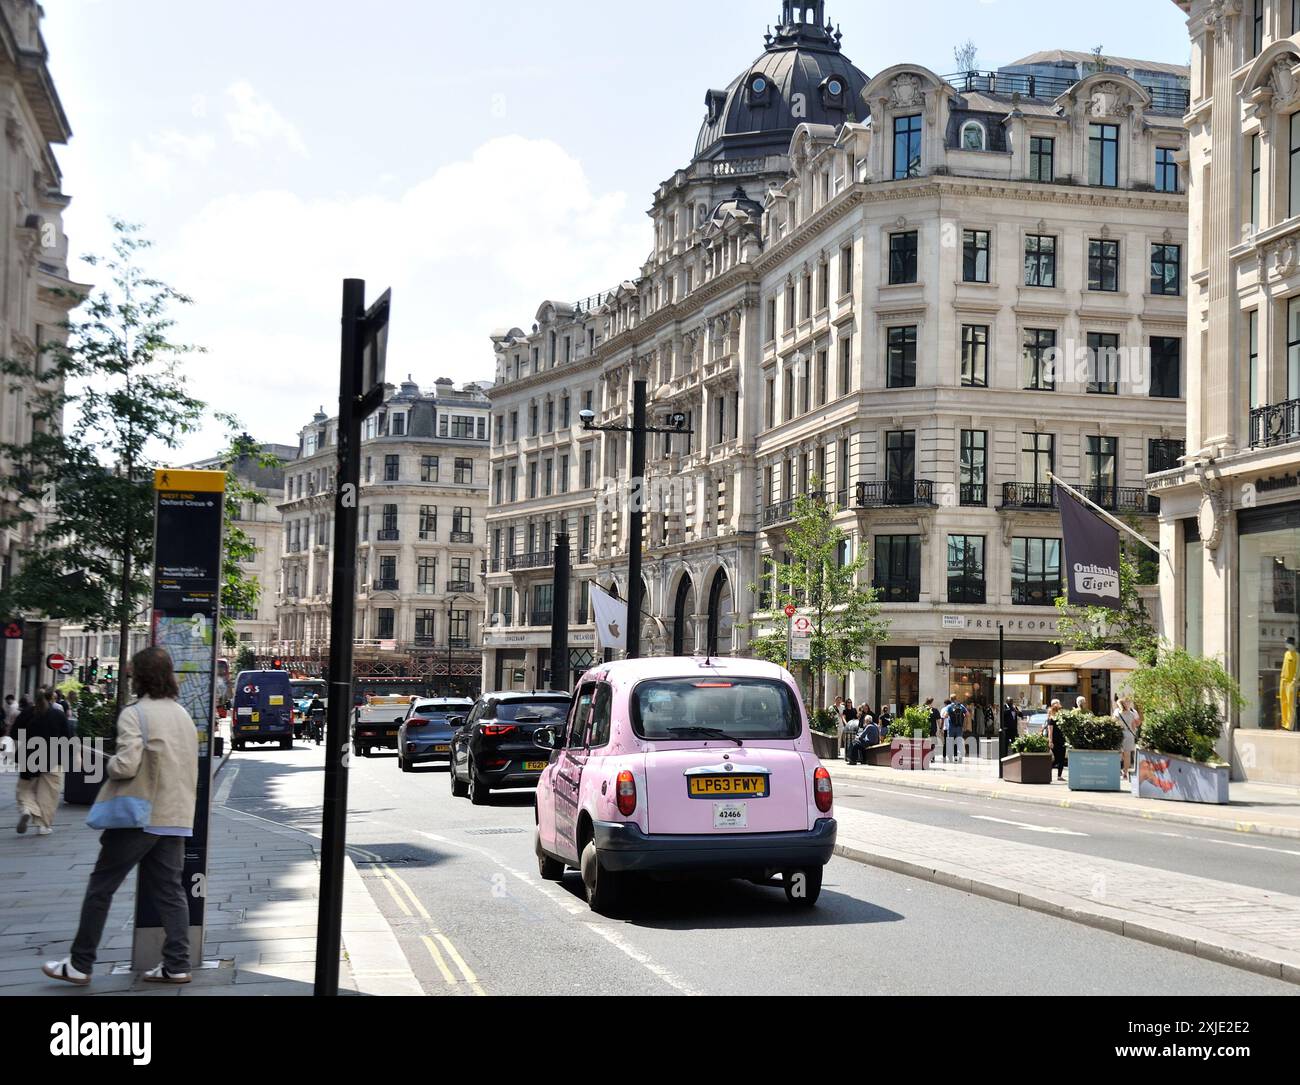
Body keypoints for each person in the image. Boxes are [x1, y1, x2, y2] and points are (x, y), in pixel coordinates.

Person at [42, 647, 199, 987]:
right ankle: (177, 964)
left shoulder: (136, 714)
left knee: (101, 887)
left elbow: (126, 764)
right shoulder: (182, 715)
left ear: (139, 677)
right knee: (171, 892)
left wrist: (107, 762)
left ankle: (80, 964)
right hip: (175, 816)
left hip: (139, 815)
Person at [15, 689, 67, 836]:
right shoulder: (58, 714)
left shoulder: (26, 713)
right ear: (52, 698)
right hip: (52, 758)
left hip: (29, 756)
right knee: (49, 794)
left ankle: (27, 809)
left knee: (25, 789)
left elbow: (14, 733)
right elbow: (67, 738)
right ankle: (43, 826)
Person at [1116, 696, 1142, 781]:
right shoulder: (1132, 714)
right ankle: (1125, 773)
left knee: (1120, 754)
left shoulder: (1118, 714)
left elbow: (1114, 724)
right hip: (1129, 735)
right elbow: (1134, 727)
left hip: (1120, 735)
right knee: (1127, 755)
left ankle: (1119, 770)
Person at [1047, 699, 1066, 781]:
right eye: (1056, 705)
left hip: (1062, 739)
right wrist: (1050, 741)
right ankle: (1047, 771)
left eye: (1059, 704)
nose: (1058, 706)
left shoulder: (1062, 717)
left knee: (1062, 758)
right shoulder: (1051, 718)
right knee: (1057, 759)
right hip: (1055, 740)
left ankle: (1059, 776)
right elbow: (1050, 731)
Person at [944, 696, 968, 763]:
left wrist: (948, 715)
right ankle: (959, 756)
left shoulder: (949, 707)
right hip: (959, 727)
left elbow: (945, 715)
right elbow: (967, 714)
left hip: (951, 727)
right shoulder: (961, 706)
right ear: (956, 699)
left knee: (950, 742)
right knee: (959, 742)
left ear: (950, 699)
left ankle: (951, 757)